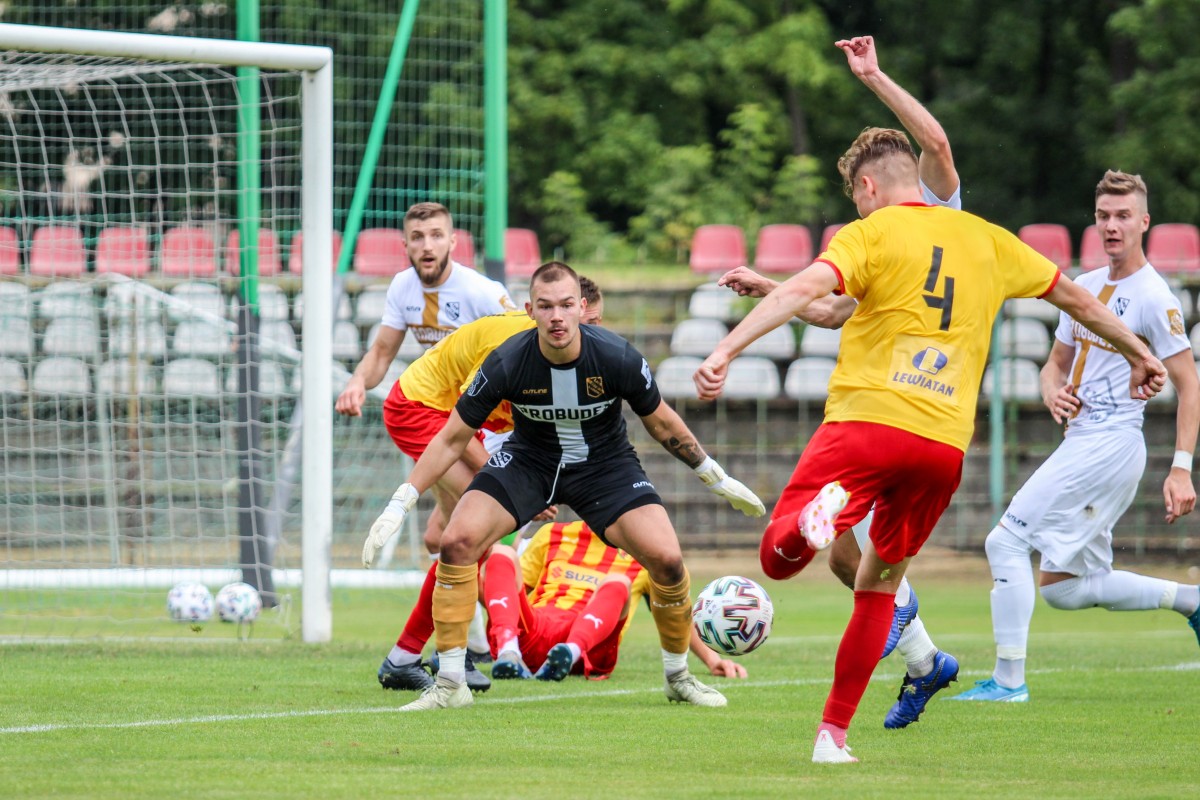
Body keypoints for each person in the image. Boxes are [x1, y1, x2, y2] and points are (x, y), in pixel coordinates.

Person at [693, 127, 1168, 763]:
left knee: (780, 560)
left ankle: (810, 528)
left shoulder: (872, 233)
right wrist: (1139, 352)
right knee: (878, 589)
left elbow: (809, 290)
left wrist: (725, 349)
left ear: (868, 187)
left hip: (865, 425)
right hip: (941, 447)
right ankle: (832, 737)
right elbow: (1078, 299)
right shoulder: (990, 239)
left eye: (856, 198)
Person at [363, 261, 766, 712]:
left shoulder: (617, 356)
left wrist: (715, 476)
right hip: (528, 463)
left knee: (668, 561)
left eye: (566, 305)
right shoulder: (505, 360)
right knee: (456, 543)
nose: (557, 316)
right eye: (546, 306)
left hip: (605, 468)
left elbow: (662, 423)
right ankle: (450, 684)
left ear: (582, 307)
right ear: (530, 310)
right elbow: (453, 438)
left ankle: (678, 678)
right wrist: (401, 501)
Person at [717, 34, 963, 730]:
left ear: (871, 186)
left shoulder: (943, 216)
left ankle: (906, 645)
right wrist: (771, 286)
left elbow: (937, 142)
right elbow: (829, 311)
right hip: (881, 413)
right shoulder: (881, 250)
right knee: (841, 553)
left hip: (923, 412)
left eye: (856, 196)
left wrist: (874, 77)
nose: (856, 211)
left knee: (852, 557)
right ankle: (925, 661)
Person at [950, 170, 1199, 703]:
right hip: (1084, 440)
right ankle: (1191, 600)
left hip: (1112, 441)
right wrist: (1051, 391)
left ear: (1144, 222)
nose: (1112, 226)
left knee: (1004, 541)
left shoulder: (1156, 297)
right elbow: (1054, 366)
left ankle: (1008, 682)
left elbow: (1189, 385)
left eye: (1123, 216)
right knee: (1064, 589)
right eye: (1104, 216)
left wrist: (1181, 468)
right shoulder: (1084, 287)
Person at [374, 278, 604, 695]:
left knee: (450, 535)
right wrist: (515, 487)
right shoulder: (514, 347)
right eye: (589, 323)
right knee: (473, 532)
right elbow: (459, 429)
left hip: (456, 421)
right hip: (421, 408)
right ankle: (411, 657)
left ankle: (447, 651)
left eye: (595, 322)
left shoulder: (562, 356)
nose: (589, 333)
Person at [335, 201, 516, 554]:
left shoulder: (481, 292)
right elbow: (382, 352)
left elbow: (524, 345)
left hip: (490, 421)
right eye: (417, 237)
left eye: (436, 235)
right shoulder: (403, 287)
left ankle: (514, 570)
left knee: (485, 518)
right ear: (405, 245)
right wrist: (357, 382)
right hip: (441, 414)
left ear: (453, 242)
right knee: (441, 536)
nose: (427, 245)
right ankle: (492, 575)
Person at [485, 520, 747, 682]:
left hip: (591, 648)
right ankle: (509, 651)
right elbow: (506, 591)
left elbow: (676, 612)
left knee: (618, 582)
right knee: (501, 554)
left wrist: (712, 660)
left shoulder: (647, 553)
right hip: (534, 632)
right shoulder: (552, 533)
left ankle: (569, 653)